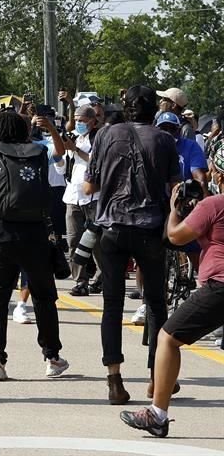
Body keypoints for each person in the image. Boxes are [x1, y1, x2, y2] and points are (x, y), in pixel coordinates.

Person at [84, 85, 181, 404]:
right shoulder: (164, 140)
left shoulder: (104, 136)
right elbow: (175, 189)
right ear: (154, 110)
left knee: (111, 305)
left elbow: (89, 186)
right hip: (151, 228)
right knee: (156, 304)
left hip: (111, 227)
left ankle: (114, 379)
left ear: (125, 108)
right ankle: (157, 378)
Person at [120, 151, 224, 437]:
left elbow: (176, 236)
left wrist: (175, 208)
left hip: (219, 286)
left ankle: (157, 414)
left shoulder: (215, 204)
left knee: (167, 338)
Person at [0, 111, 70, 381]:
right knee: (44, 297)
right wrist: (51, 128)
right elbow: (60, 155)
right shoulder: (37, 151)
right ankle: (51, 357)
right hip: (35, 234)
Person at [58, 104, 103, 296]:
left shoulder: (99, 138)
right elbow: (63, 164)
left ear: (93, 121)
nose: (79, 124)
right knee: (74, 240)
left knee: (97, 242)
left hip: (93, 196)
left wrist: (75, 149)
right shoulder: (74, 136)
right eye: (77, 120)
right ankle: (80, 280)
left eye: (83, 121)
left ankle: (101, 279)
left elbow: (95, 160)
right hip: (73, 195)